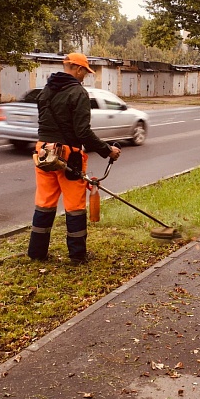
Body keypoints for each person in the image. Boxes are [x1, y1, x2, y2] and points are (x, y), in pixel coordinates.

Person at [27, 53, 121, 264]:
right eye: (85, 72)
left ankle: (36, 253)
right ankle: (77, 256)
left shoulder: (46, 90)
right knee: (75, 206)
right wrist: (108, 150)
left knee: (44, 203)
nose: (85, 77)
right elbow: (83, 132)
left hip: (43, 151)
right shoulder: (78, 93)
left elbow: (44, 124)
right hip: (69, 156)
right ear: (77, 69)